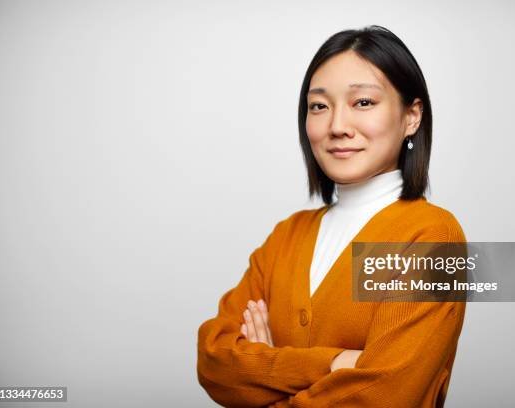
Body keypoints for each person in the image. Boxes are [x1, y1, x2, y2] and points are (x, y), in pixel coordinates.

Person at [197, 25, 467, 407]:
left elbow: (385, 396)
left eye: (363, 103)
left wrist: (264, 375)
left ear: (412, 116)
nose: (337, 127)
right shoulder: (286, 237)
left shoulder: (432, 238)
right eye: (319, 106)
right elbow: (213, 361)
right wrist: (335, 363)